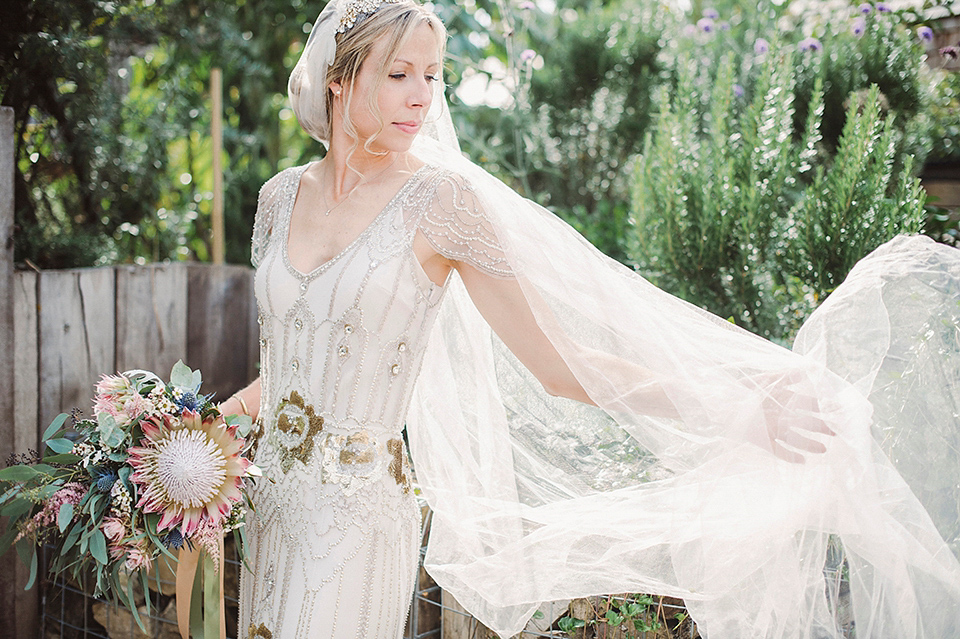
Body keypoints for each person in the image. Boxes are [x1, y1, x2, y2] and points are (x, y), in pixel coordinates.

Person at [221, 1, 960, 638]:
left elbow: (562, 362)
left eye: (433, 74)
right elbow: (291, 359)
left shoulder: (441, 204)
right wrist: (184, 429)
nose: (422, 96)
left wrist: (732, 402)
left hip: (356, 518)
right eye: (399, 73)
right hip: (271, 505)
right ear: (339, 78)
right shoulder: (279, 198)